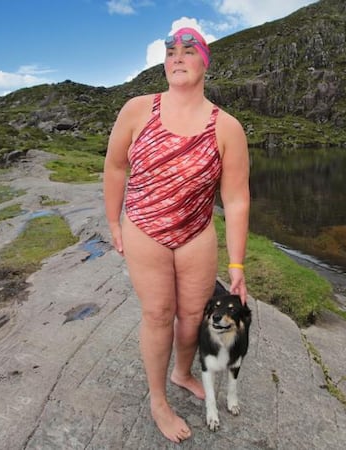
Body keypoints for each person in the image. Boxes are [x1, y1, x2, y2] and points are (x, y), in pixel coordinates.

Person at [103, 26, 250, 443]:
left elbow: (236, 200)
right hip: (145, 229)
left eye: (188, 51)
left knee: (191, 320)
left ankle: (182, 372)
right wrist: (114, 221)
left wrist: (237, 265)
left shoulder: (227, 128)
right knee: (157, 315)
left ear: (205, 60)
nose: (177, 58)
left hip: (196, 234)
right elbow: (116, 167)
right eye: (170, 52)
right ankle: (158, 400)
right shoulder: (137, 109)